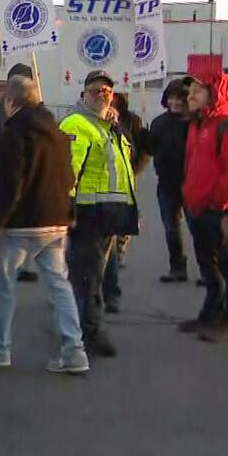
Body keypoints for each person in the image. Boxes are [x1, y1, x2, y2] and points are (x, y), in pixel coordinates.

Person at [0, 75, 88, 374]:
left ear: (11, 101)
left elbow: (11, 186)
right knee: (59, 284)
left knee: (4, 284)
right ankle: (74, 350)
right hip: (56, 220)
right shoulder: (57, 132)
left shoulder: (14, 134)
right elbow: (69, 178)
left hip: (23, 224)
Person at [59, 71, 139, 358]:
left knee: (95, 276)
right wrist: (67, 210)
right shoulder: (77, 124)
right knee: (88, 278)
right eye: (94, 90)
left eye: (107, 89)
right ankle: (89, 334)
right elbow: (68, 170)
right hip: (87, 215)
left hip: (109, 215)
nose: (102, 94)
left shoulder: (111, 125)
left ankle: (82, 327)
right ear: (83, 94)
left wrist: (129, 211)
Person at [177, 55, 228, 343]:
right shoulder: (198, 126)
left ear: (214, 92)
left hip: (221, 213)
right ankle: (209, 316)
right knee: (208, 267)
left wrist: (217, 205)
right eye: (189, 91)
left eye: (197, 90)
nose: (190, 96)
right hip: (198, 210)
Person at [100, 92, 149, 314]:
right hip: (90, 194)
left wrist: (133, 172)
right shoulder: (82, 122)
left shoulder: (127, 124)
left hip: (119, 185)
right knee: (93, 248)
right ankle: (88, 295)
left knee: (109, 240)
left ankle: (111, 294)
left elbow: (138, 150)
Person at [0, 63, 41, 283]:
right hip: (13, 169)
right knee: (13, 216)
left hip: (27, 171)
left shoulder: (35, 108)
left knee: (22, 218)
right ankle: (6, 259)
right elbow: (1, 138)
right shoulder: (6, 107)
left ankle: (17, 262)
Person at [145, 78, 193, 284]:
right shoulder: (158, 123)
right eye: (172, 98)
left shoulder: (195, 123)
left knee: (200, 229)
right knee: (171, 228)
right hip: (166, 184)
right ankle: (177, 267)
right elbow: (150, 149)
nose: (175, 102)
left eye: (180, 99)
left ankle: (211, 271)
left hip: (192, 184)